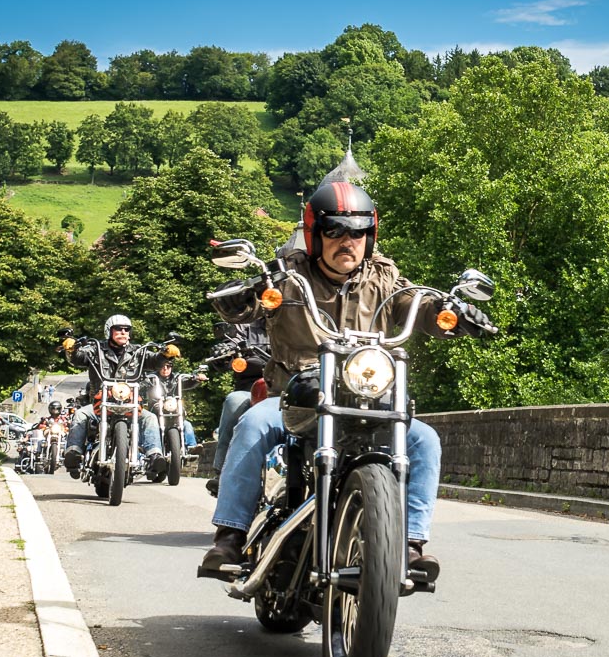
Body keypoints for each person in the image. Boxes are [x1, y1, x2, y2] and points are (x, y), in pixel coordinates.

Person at [201, 182, 495, 582]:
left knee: (425, 440)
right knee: (252, 422)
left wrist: (450, 314)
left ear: (369, 237)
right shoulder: (287, 276)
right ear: (315, 234)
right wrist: (240, 298)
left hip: (367, 398)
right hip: (296, 397)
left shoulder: (384, 277)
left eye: (358, 232)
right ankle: (230, 536)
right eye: (334, 230)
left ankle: (409, 543)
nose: (347, 241)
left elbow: (417, 304)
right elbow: (250, 305)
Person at [61, 314, 167, 479]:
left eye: (126, 329)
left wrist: (165, 355)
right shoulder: (96, 349)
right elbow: (79, 358)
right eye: (118, 329)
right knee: (80, 414)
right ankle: (73, 453)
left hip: (130, 403)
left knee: (150, 418)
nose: (123, 332)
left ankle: (154, 456)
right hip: (100, 404)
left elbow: (154, 361)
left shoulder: (138, 352)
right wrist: (72, 350)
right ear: (109, 331)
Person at [204, 319, 269, 496]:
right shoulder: (246, 326)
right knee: (234, 401)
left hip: (292, 388)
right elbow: (232, 343)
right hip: (252, 390)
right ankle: (222, 471)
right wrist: (224, 351)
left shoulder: (300, 321)